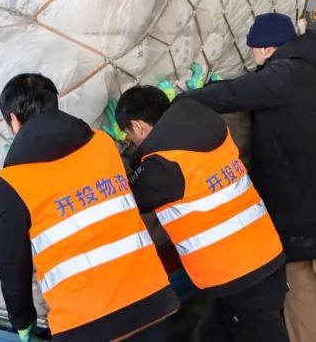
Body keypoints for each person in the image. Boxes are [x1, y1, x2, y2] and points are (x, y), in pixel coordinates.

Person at [183, 12, 316, 342]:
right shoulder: (309, 70)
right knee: (302, 308)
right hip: (302, 223)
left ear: (266, 48)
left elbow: (234, 93)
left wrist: (179, 101)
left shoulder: (289, 73)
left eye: (253, 48)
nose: (252, 55)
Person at [0, 73, 179, 342]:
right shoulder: (103, 144)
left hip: (86, 323)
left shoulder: (13, 180)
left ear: (14, 120)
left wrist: (22, 321)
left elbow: (12, 262)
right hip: (151, 301)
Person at [113, 86, 288, 341]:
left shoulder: (165, 165)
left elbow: (130, 198)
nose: (132, 142)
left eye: (129, 136)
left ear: (138, 126)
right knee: (212, 334)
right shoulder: (213, 128)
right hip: (262, 256)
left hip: (239, 274)